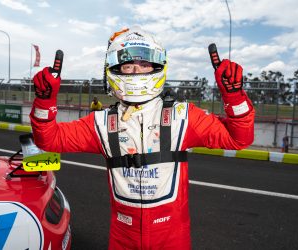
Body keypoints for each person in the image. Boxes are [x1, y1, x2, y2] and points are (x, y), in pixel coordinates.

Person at [30, 26, 254, 249]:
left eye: (144, 63)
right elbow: (49, 139)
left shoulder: (182, 116)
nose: (136, 70)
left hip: (172, 239)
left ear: (157, 65)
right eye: (128, 65)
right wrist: (44, 100)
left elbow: (239, 139)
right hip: (122, 239)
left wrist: (233, 95)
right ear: (114, 68)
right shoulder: (100, 122)